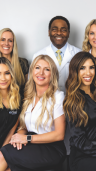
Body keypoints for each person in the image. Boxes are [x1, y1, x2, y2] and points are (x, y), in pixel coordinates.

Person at [0, 55, 66, 171]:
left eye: (46, 69)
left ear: (52, 74)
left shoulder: (57, 96)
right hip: (31, 146)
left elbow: (59, 134)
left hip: (51, 148)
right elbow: (23, 125)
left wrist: (27, 138)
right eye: (37, 68)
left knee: (3, 154)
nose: (41, 73)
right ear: (32, 71)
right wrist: (19, 136)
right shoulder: (27, 96)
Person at [32, 15, 81, 154]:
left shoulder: (78, 54)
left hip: (73, 105)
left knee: (71, 146)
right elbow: (33, 84)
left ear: (68, 33)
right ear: (49, 32)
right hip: (48, 108)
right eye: (54, 29)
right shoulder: (38, 55)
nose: (59, 33)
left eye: (63, 29)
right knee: (52, 146)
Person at [0, 28, 29, 99]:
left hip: (20, 105)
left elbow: (28, 89)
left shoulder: (23, 63)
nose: (6, 43)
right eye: (3, 40)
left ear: (13, 44)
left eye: (10, 40)